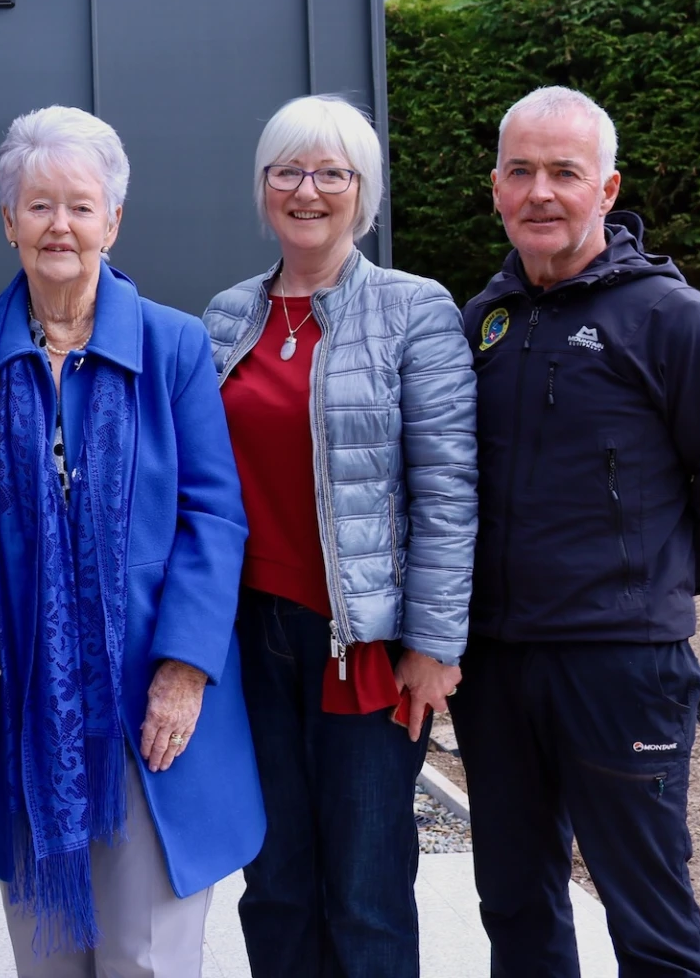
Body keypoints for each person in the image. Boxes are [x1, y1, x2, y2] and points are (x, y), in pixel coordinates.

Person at [0, 105, 264, 977]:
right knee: (46, 960)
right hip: (23, 710)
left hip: (145, 710)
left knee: (143, 960)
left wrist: (185, 670)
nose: (60, 227)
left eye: (81, 206)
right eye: (38, 205)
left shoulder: (173, 344)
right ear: (9, 221)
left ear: (113, 221)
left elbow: (213, 517)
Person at [453, 86, 700, 977]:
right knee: (516, 907)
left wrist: (644, 588)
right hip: (496, 666)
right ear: (496, 188)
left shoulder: (677, 321)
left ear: (607, 188)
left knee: (652, 922)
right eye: (522, 171)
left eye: (566, 172)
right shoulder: (484, 322)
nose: (541, 192)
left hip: (622, 668)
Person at [201, 95, 476, 975]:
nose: (306, 189)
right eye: (287, 170)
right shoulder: (226, 316)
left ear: (364, 191)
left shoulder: (413, 309)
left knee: (365, 888)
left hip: (361, 644)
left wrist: (433, 643)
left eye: (331, 173)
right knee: (274, 877)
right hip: (250, 639)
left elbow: (447, 486)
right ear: (263, 188)